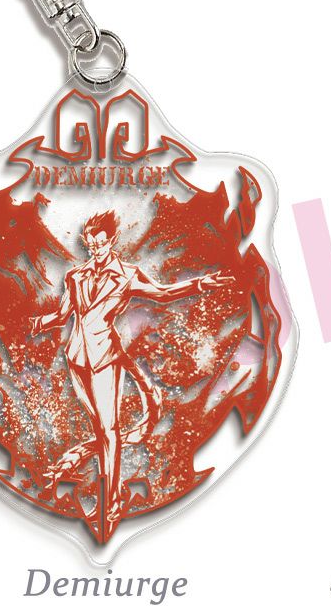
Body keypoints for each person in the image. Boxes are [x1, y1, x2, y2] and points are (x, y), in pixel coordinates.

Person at [29, 210, 232, 528]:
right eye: (91, 243)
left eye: (101, 243)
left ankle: (110, 501)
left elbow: (162, 294)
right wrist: (37, 323)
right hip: (77, 358)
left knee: (108, 429)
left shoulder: (127, 275)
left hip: (105, 358)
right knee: (100, 430)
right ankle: (95, 474)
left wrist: (201, 283)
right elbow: (63, 315)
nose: (96, 248)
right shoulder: (75, 277)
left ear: (111, 240)